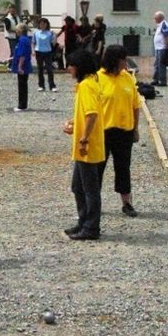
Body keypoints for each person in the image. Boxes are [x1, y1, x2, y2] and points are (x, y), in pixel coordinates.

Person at [62, 48, 106, 240]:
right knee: (78, 187)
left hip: (87, 146)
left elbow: (91, 115)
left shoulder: (87, 86)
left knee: (89, 189)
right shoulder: (88, 84)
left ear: (78, 67)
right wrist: (74, 123)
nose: (68, 69)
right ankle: (83, 222)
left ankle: (91, 227)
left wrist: (84, 137)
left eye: (70, 65)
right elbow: (86, 114)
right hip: (86, 144)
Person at [98, 44, 141, 216]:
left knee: (123, 167)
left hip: (124, 131)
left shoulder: (128, 78)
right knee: (97, 168)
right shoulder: (97, 78)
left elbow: (135, 106)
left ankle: (126, 202)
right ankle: (94, 202)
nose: (126, 62)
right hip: (103, 130)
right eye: (123, 59)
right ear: (115, 60)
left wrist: (136, 129)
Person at [10, 23, 32, 112]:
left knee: (22, 86)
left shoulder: (22, 40)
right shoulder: (25, 40)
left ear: (20, 31)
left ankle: (21, 105)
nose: (15, 31)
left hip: (23, 66)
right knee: (23, 85)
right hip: (24, 65)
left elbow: (22, 55)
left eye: (16, 30)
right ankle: (23, 104)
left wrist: (19, 67)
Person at [32, 17, 57, 92]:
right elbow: (33, 42)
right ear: (39, 24)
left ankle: (52, 85)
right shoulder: (36, 32)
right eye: (41, 24)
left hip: (48, 52)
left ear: (47, 24)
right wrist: (33, 51)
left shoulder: (50, 33)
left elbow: (53, 43)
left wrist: (54, 36)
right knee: (40, 69)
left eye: (44, 24)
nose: (43, 25)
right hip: (38, 51)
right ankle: (41, 85)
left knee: (49, 69)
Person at [152, 11, 168, 86]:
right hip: (158, 48)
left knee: (161, 65)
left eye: (155, 18)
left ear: (160, 18)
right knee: (157, 64)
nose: (154, 19)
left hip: (162, 48)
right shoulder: (160, 25)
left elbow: (166, 36)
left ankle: (162, 81)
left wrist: (167, 46)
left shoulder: (164, 25)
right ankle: (156, 79)